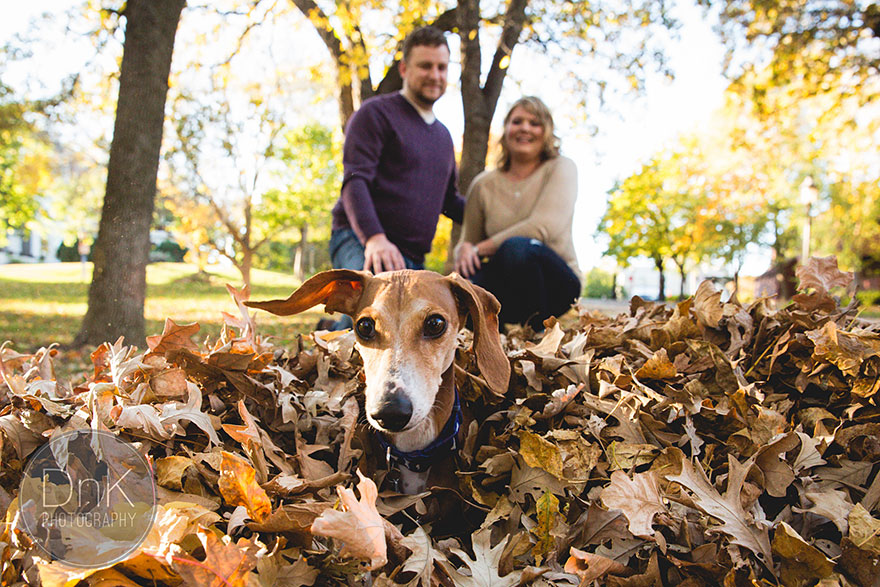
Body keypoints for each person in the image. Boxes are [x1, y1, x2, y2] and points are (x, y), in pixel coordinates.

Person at [322, 25, 465, 330]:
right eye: (425, 65)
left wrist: (495, 218)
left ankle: (326, 328)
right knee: (371, 320)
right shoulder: (375, 114)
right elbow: (354, 181)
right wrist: (374, 238)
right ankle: (330, 335)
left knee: (421, 331)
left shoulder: (443, 137)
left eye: (442, 67)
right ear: (404, 68)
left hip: (412, 258)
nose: (435, 75)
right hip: (362, 240)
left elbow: (450, 201)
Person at [453, 96, 581, 332]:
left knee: (517, 248)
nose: (525, 128)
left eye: (535, 123)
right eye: (517, 121)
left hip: (556, 283)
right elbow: (467, 242)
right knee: (461, 291)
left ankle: (538, 337)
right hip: (505, 285)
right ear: (506, 130)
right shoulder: (483, 185)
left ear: (547, 132)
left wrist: (479, 249)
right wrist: (463, 251)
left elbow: (543, 226)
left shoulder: (561, 168)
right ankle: (494, 345)